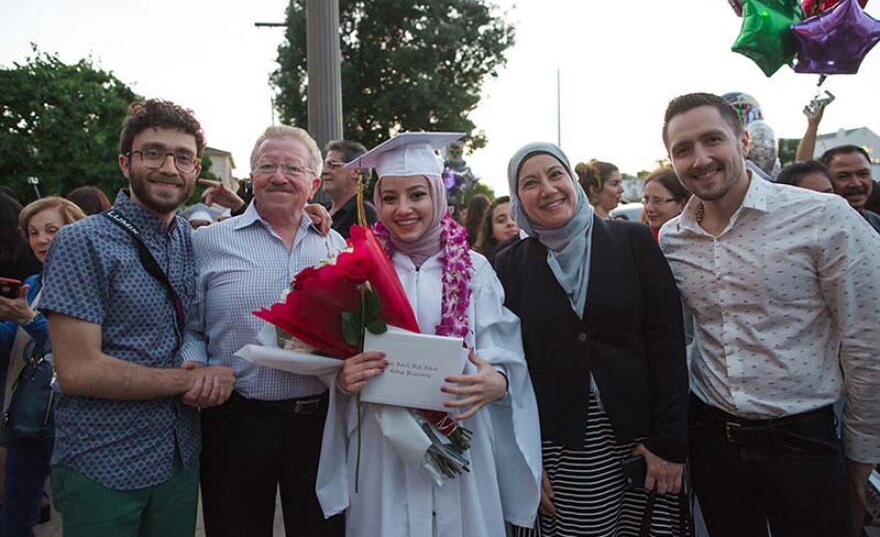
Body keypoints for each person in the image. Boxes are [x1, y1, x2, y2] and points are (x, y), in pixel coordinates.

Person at [660, 92, 880, 537]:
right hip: (713, 442)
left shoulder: (822, 216)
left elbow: (868, 341)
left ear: (742, 142)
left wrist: (860, 453)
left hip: (804, 443)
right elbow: (683, 337)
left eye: (712, 140)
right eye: (683, 149)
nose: (700, 159)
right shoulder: (673, 238)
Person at [318, 132, 542, 537]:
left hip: (459, 426)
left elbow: (501, 345)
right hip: (385, 438)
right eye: (389, 198)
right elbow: (335, 353)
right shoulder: (358, 270)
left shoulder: (474, 268)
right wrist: (341, 376)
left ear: (438, 195)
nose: (403, 209)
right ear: (375, 201)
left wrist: (498, 379)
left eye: (417, 194)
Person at [38, 99, 235, 537]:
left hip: (178, 457)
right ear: (125, 162)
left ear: (195, 168)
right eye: (154, 153)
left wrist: (311, 216)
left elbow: (195, 326)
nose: (169, 167)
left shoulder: (189, 237)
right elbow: (77, 371)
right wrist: (187, 381)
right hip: (104, 460)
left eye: (182, 157)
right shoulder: (81, 242)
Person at [497, 142, 689, 537]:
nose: (547, 189)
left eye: (555, 175)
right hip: (562, 448)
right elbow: (509, 366)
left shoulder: (632, 242)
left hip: (641, 443)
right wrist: (525, 463)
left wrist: (669, 443)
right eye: (529, 183)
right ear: (518, 199)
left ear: (573, 181)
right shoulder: (509, 264)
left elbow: (667, 343)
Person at [185, 125, 347, 537]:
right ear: (251, 177)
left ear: (313, 183)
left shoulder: (336, 247)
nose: (279, 176)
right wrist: (195, 366)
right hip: (235, 420)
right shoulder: (208, 243)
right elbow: (188, 325)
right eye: (267, 166)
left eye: (292, 167)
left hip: (320, 425)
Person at [0, 197, 85, 537]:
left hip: (74, 417)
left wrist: (30, 319)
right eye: (33, 232)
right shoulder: (33, 283)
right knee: (14, 515)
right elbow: (15, 343)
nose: (41, 240)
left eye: (52, 230)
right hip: (28, 415)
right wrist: (9, 317)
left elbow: (79, 347)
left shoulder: (90, 281)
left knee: (79, 513)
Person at [321, 140, 379, 238]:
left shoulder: (365, 214)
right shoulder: (321, 210)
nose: (324, 171)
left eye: (332, 165)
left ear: (356, 172)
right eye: (325, 165)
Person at [819, 145, 880, 234]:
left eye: (863, 174)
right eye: (843, 176)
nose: (856, 183)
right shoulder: (816, 228)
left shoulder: (876, 221)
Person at [641, 167, 691, 240]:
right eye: (646, 200)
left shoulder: (696, 240)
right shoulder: (638, 239)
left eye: (658, 201)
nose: (649, 208)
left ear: (682, 204)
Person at [474, 196, 519, 263]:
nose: (510, 223)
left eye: (514, 217)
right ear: (491, 231)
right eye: (501, 220)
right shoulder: (483, 265)